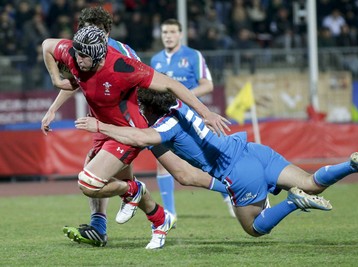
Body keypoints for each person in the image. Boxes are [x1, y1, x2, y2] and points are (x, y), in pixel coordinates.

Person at [75, 89, 358, 237]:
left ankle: (295, 203)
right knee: (311, 181)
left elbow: (140, 140)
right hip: (253, 150)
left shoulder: (162, 129)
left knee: (255, 228)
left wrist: (100, 128)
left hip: (237, 173)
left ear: (148, 109)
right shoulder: (185, 110)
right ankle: (352, 164)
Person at [41, 7, 230, 248]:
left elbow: (169, 85)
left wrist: (205, 113)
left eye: (84, 56)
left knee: (179, 174)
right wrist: (56, 83)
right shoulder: (76, 50)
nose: (77, 60)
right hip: (102, 127)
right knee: (105, 183)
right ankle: (158, 219)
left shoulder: (123, 63)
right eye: (77, 50)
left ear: (105, 39)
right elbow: (48, 45)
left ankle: (232, 185)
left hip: (130, 130)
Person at [150, 18, 234, 219]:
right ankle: (170, 212)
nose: (168, 36)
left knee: (205, 161)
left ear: (180, 34)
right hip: (167, 117)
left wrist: (184, 94)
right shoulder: (155, 60)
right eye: (165, 32)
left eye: (172, 32)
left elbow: (208, 85)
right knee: (162, 159)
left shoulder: (192, 56)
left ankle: (228, 195)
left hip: (190, 117)